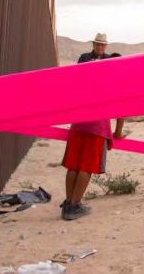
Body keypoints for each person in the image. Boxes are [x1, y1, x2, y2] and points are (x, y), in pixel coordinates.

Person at [61, 33, 125, 220]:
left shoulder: (84, 73)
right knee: (86, 167)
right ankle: (74, 206)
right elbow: (121, 109)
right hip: (97, 126)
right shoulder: (111, 83)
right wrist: (118, 132)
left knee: (73, 165)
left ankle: (68, 203)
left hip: (79, 122)